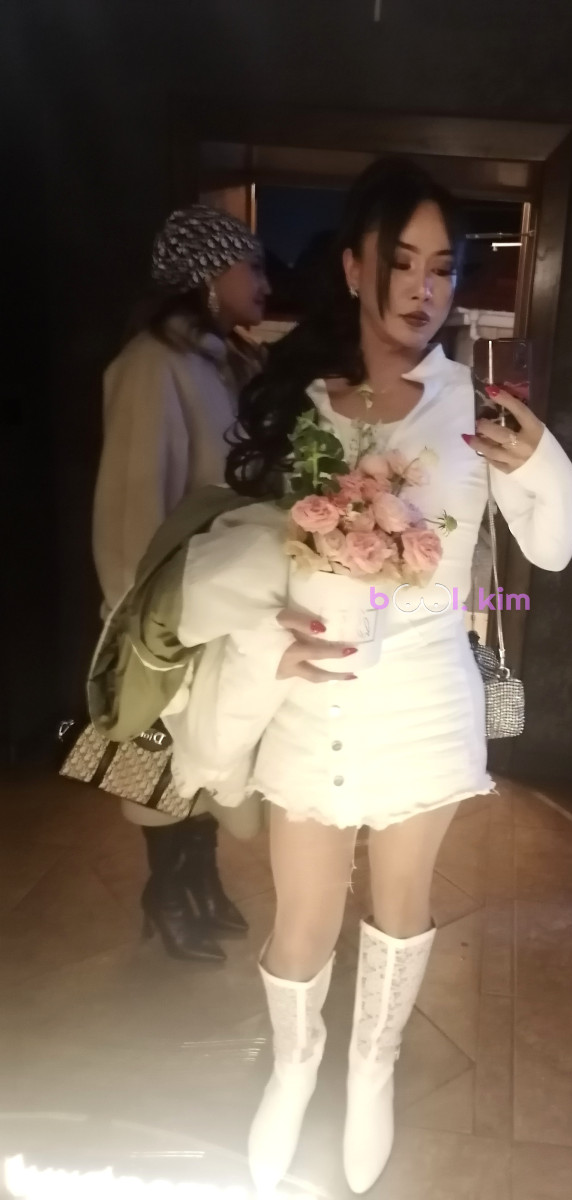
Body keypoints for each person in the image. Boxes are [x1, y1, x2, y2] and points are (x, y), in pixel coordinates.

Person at [163, 159, 572, 1194]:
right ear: (355, 268)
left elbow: (555, 546)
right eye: (402, 262)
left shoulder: (474, 412)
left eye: (443, 267)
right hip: (309, 699)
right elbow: (237, 562)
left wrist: (541, 460)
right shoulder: (298, 404)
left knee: (399, 907)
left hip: (425, 702)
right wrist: (268, 643)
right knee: (301, 916)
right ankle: (295, 1068)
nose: (423, 288)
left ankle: (372, 1067)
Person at [92, 203, 271, 964]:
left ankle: (201, 882)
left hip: (211, 599)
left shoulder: (223, 362)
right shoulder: (151, 365)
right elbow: (131, 504)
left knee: (206, 755)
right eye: (250, 265)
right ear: (208, 273)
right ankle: (166, 893)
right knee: (155, 751)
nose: (264, 282)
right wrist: (141, 620)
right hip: (161, 607)